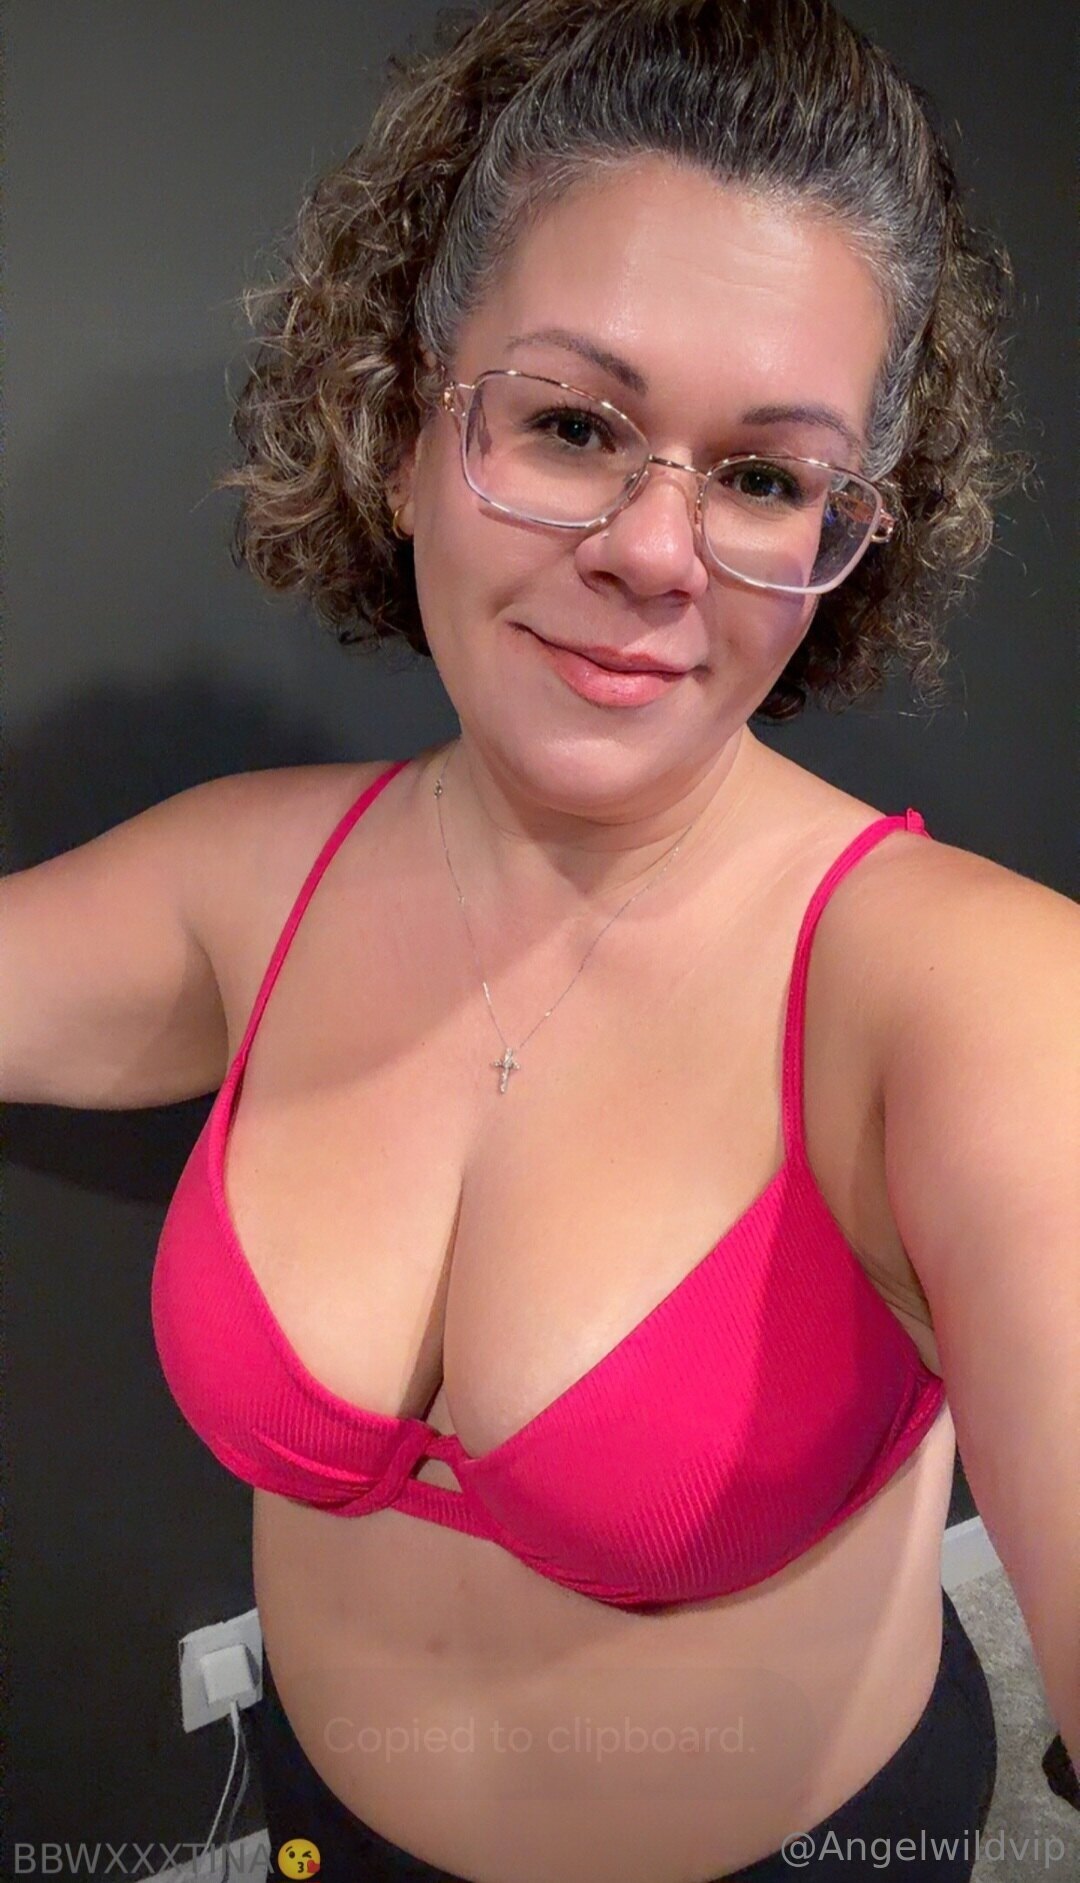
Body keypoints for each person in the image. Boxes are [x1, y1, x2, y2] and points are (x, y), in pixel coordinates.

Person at [5, 3, 1076, 1879]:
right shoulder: (245, 882)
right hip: (318, 1835)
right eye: (575, 425)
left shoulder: (962, 994)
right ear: (404, 429)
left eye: (763, 477)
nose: (659, 553)